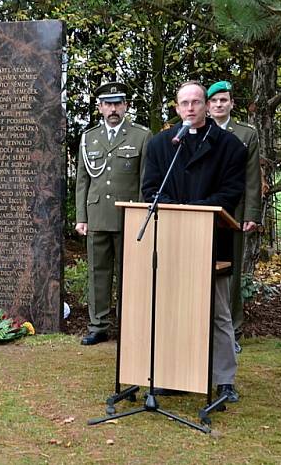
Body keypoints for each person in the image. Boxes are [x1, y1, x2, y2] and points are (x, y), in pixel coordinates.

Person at [142, 81, 247, 402]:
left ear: (206, 106)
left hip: (212, 240)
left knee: (218, 313)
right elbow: (150, 190)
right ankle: (175, 374)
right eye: (184, 103)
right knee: (174, 310)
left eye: (196, 102)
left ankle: (224, 380)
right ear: (176, 108)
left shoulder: (230, 146)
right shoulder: (161, 145)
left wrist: (195, 210)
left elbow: (231, 193)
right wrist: (176, 210)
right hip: (172, 242)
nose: (190, 108)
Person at [75, 81, 151, 345]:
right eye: (108, 104)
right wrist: (81, 217)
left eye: (118, 103)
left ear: (126, 106)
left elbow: (145, 181)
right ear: (100, 108)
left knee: (128, 272)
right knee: (98, 271)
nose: (113, 109)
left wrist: (143, 215)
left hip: (127, 214)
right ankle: (98, 325)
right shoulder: (89, 138)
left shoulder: (141, 136)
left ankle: (128, 323)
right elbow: (82, 181)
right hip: (96, 215)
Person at [207, 80, 263, 353]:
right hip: (202, 211)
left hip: (234, 212)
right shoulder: (196, 130)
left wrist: (251, 212)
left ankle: (233, 329)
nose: (219, 105)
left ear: (231, 103)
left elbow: (253, 177)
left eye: (224, 100)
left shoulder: (246, 134)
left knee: (231, 271)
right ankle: (203, 326)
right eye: (214, 101)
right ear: (208, 105)